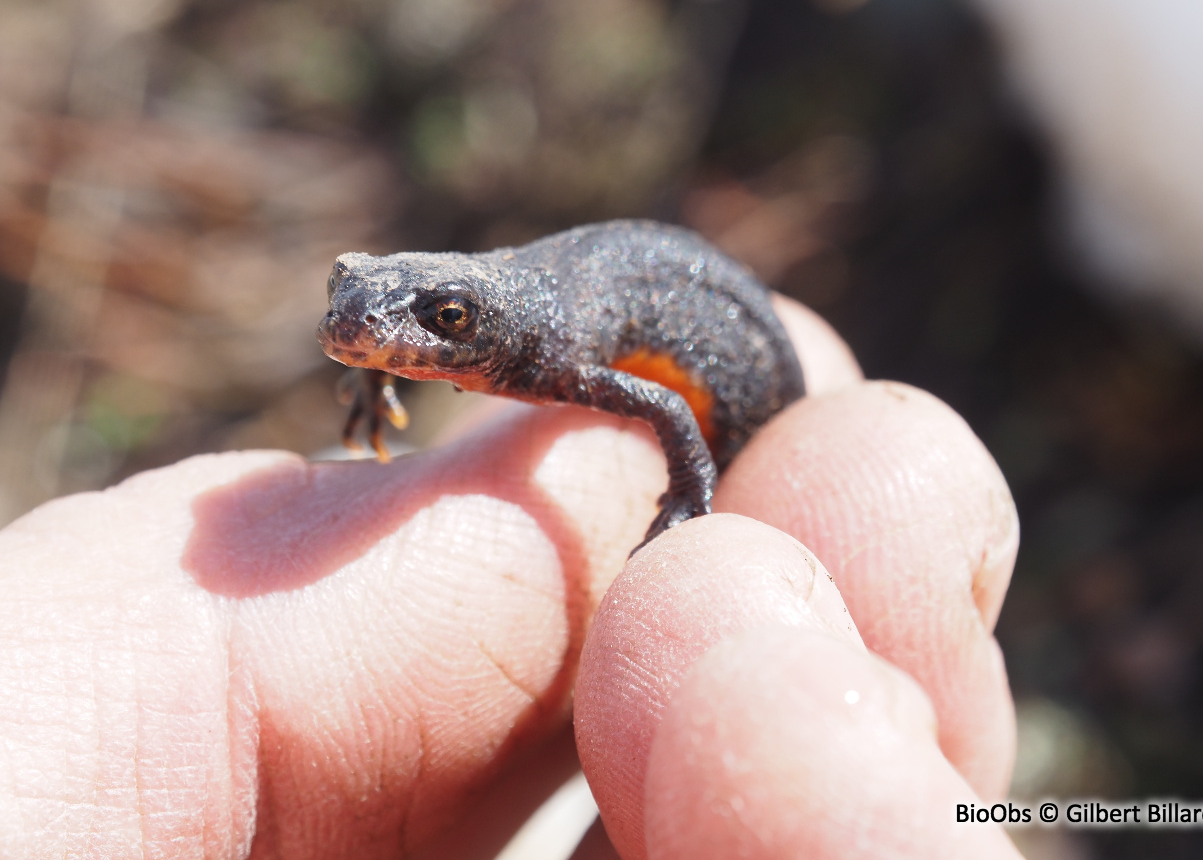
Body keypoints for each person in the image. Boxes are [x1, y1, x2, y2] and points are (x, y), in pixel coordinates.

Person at [0, 300, 1023, 858]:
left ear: (482, 325)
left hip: (746, 389)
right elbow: (384, 308)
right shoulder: (438, 326)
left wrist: (684, 496)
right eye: (357, 309)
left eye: (432, 322)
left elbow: (661, 409)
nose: (381, 333)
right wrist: (375, 367)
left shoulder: (551, 351)